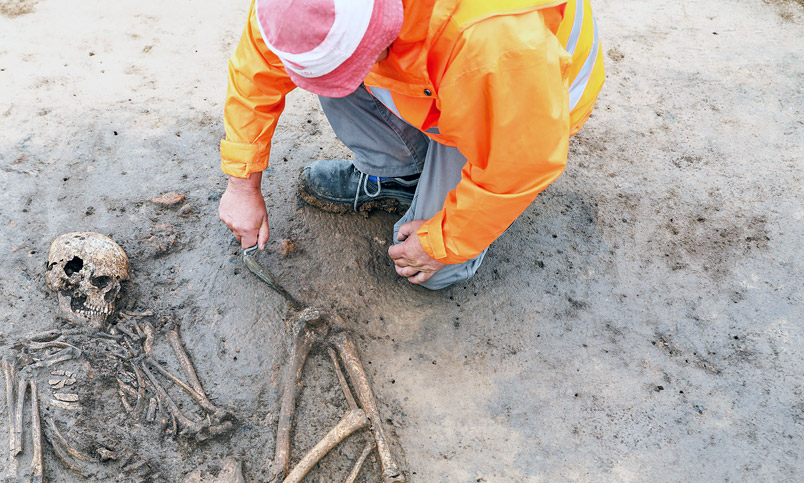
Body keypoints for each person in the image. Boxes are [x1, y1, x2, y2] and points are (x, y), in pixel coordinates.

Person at [217, 0, 604, 289]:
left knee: (435, 271)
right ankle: (402, 173)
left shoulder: (491, 43)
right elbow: (259, 68)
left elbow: (520, 161)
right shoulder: (298, 7)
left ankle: (444, 188)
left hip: (514, 107)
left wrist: (442, 242)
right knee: (324, 69)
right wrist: (242, 183)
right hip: (448, 74)